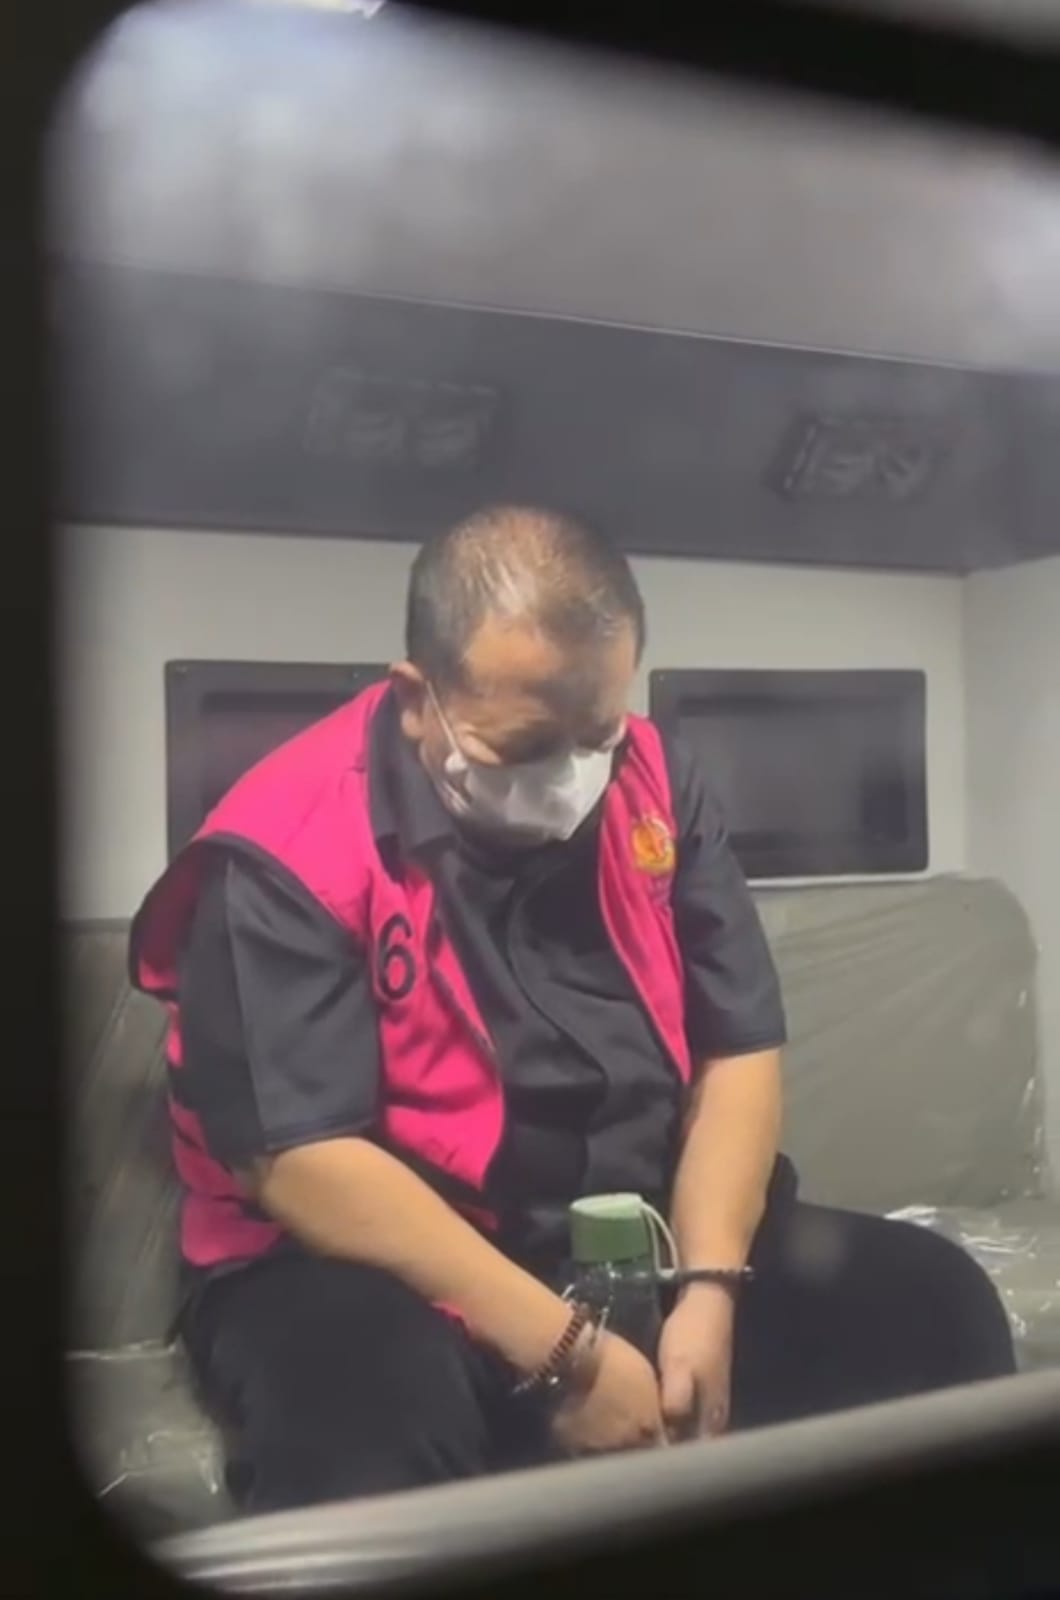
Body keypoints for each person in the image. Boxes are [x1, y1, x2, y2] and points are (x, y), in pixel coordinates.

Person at [130, 505, 1015, 1513]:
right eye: (526, 743)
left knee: (932, 1307)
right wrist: (568, 1353)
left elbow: (737, 1048)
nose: (569, 779)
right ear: (417, 699)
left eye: (595, 734)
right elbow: (299, 1162)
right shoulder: (286, 846)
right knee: (365, 1429)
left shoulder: (657, 782)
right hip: (366, 1264)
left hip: (632, 1235)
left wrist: (709, 1291)